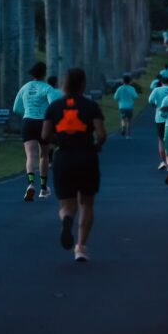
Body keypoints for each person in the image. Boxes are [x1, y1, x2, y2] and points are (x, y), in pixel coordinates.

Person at [42, 68, 106, 263]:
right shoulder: (90, 106)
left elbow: (45, 136)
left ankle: (66, 219)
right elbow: (101, 134)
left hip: (64, 158)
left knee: (66, 205)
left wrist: (60, 140)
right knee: (87, 203)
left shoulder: (54, 107)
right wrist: (96, 146)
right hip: (86, 156)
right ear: (83, 84)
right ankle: (80, 247)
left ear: (65, 83)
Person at [13, 62, 53, 201]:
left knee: (30, 156)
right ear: (44, 74)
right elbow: (54, 106)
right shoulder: (47, 88)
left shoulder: (25, 87)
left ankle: (30, 184)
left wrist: (28, 112)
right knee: (44, 155)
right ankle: (43, 188)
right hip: (43, 123)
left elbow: (16, 108)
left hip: (28, 121)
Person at [147, 74, 168, 170]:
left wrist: (156, 106)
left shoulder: (157, 90)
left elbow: (150, 100)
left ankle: (162, 161)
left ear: (161, 82)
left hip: (159, 117)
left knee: (161, 140)